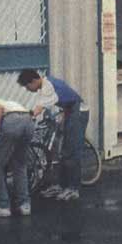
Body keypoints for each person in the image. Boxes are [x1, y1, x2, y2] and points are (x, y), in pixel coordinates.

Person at [17, 68, 87, 201]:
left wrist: (24, 120)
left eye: (27, 86)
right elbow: (43, 103)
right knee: (62, 152)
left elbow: (38, 108)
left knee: (71, 151)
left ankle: (73, 189)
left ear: (33, 81)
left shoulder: (48, 86)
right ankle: (61, 185)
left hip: (78, 111)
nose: (27, 90)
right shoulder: (46, 83)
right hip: (68, 111)